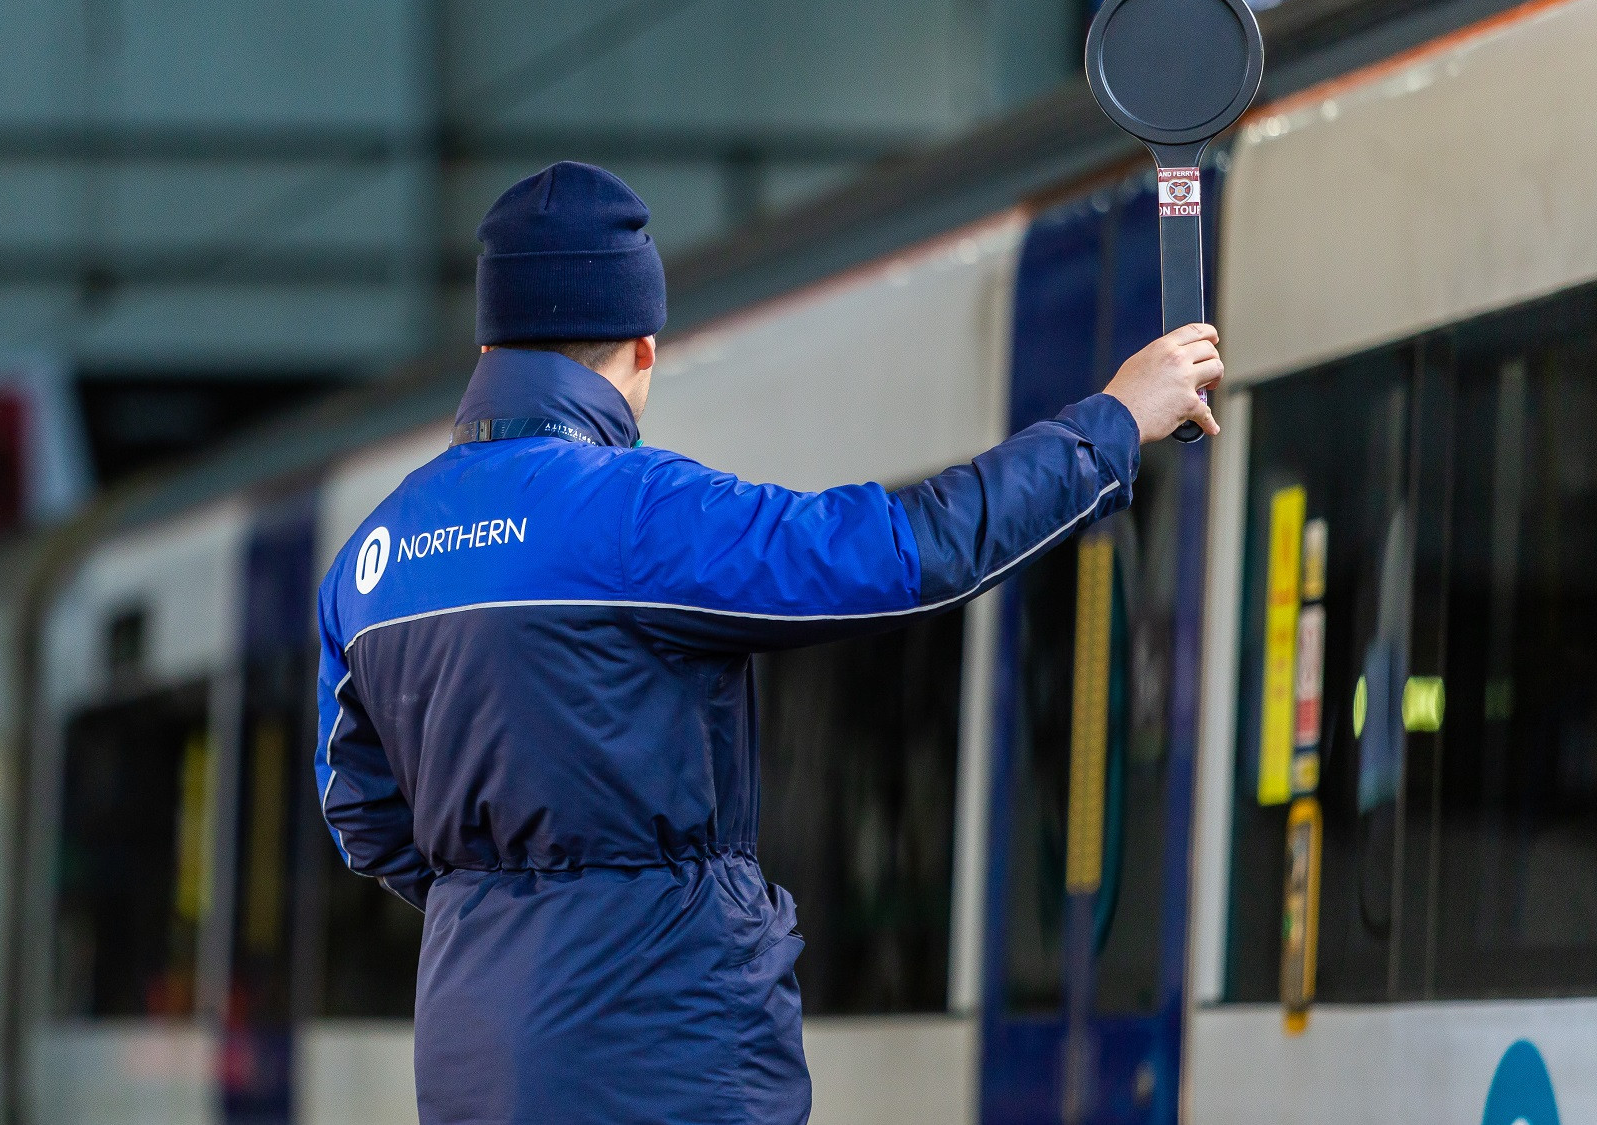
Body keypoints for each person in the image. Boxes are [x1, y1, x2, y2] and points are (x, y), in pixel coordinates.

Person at [315, 161, 1220, 1125]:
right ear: (642, 345)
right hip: (663, 1044)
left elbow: (363, 814)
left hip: (468, 1049)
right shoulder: (640, 516)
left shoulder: (374, 555)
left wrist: (506, 906)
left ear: (490, 342)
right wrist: (1112, 424)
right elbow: (910, 554)